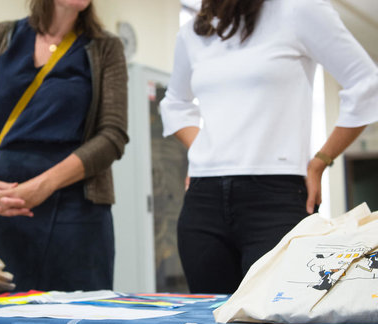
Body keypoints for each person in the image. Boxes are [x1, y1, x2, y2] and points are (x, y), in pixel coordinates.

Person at [160, 0, 378, 294]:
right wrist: (204, 149)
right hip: (203, 200)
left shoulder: (299, 10)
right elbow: (174, 104)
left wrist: (321, 160)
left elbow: (366, 84)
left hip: (276, 197)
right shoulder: (193, 32)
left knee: (277, 320)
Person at [0, 0, 128, 292]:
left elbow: (112, 136)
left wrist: (45, 184)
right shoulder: (1, 36)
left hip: (78, 215)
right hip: (3, 208)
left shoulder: (104, 47)